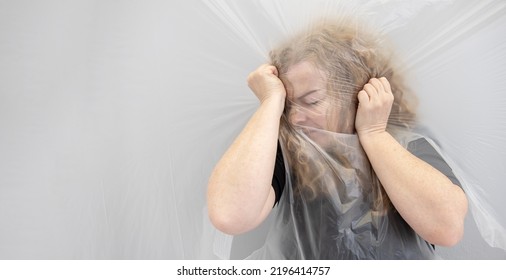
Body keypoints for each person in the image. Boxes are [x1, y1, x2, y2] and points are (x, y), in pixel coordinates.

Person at [207, 19, 468, 259]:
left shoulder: (406, 144)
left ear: (352, 93)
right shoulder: (289, 151)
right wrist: (270, 101)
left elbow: (447, 228)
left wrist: (373, 135)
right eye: (288, 104)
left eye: (312, 100)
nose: (295, 117)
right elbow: (229, 215)